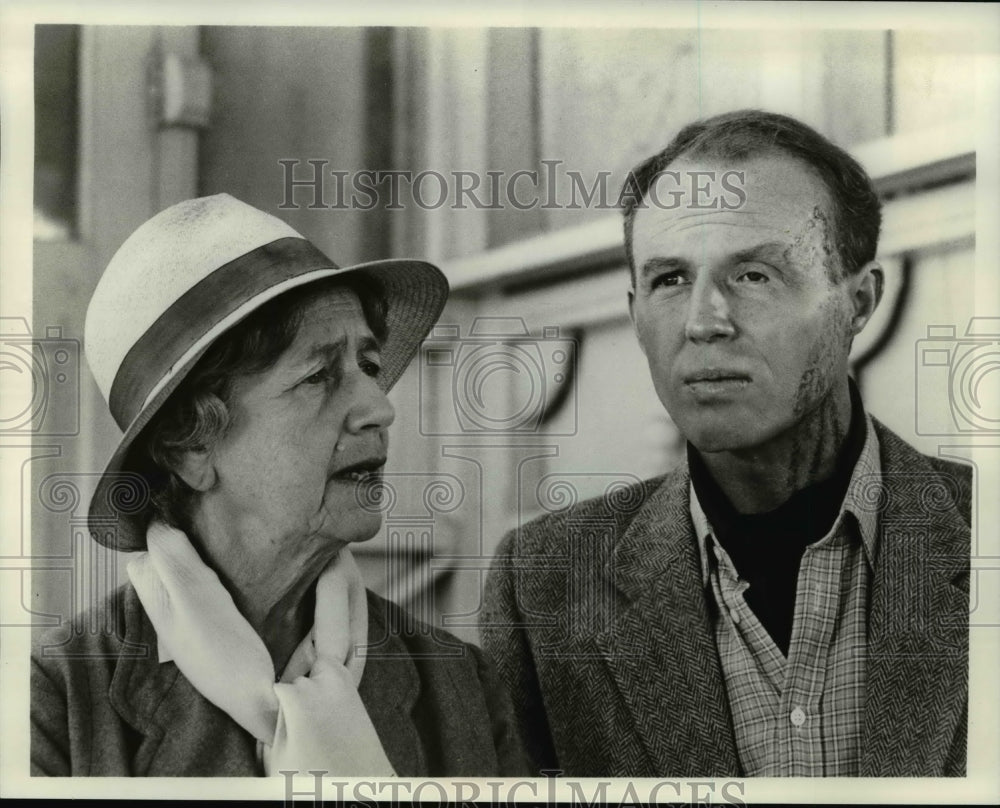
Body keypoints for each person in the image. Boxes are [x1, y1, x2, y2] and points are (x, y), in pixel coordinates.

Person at [482, 110, 972, 777]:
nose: (702, 322)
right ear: (633, 315)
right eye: (670, 280)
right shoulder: (544, 584)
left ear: (858, 302)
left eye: (754, 275)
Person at [31, 194, 528, 777]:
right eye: (319, 376)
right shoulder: (58, 702)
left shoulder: (458, 684)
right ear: (191, 444)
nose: (378, 408)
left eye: (368, 367)